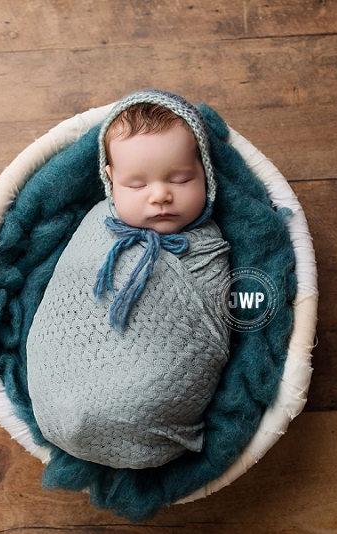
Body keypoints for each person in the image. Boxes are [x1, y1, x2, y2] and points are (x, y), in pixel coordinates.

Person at [26, 89, 232, 469]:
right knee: (65, 381)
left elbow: (219, 320)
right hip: (61, 390)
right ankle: (67, 405)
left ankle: (141, 419)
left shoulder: (208, 246)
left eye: (181, 178)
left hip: (151, 394)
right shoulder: (97, 225)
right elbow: (66, 292)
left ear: (205, 171)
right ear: (111, 180)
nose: (160, 196)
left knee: (143, 392)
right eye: (137, 185)